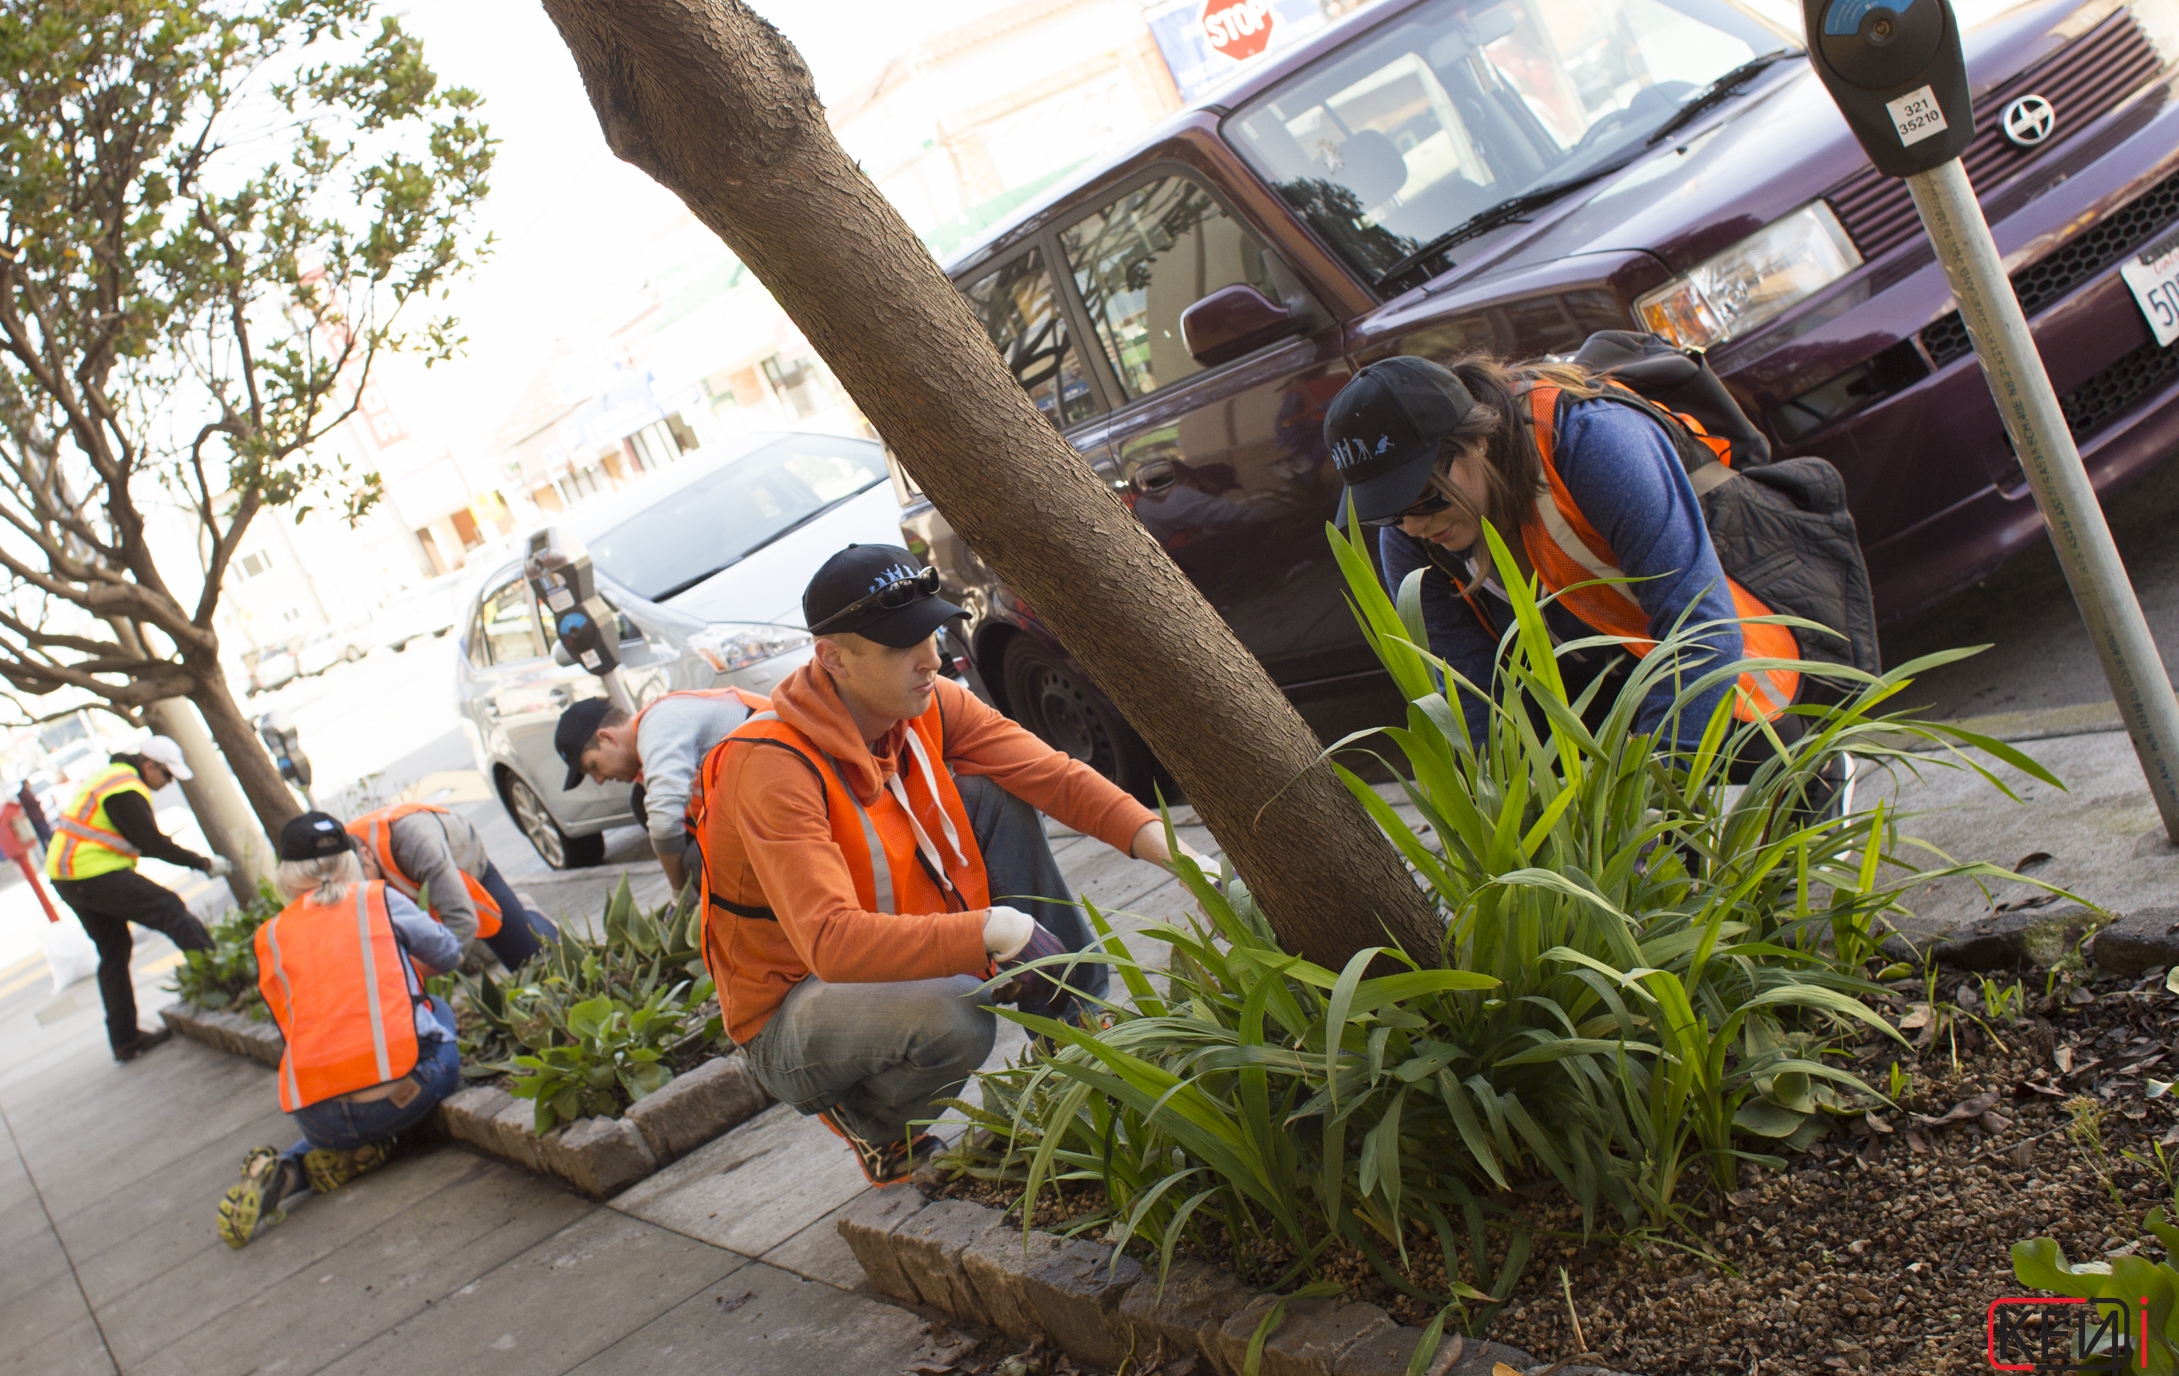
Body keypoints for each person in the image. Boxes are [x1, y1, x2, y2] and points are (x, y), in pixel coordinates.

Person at [695, 543, 1207, 1185]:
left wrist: (1173, 850)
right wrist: (995, 930)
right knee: (957, 1015)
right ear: (835, 660)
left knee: (997, 792)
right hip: (796, 1010)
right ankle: (881, 1125)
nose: (932, 659)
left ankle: (1077, 1028)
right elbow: (829, 942)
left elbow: (1053, 776)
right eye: (901, 647)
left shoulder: (924, 703)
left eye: (932, 634)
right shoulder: (770, 765)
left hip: (894, 949)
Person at [1326, 353, 1811, 761]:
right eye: (1388, 513)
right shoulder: (1410, 534)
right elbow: (1472, 698)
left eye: (1427, 497)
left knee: (1747, 723)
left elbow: (1704, 631)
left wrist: (1649, 799)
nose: (1414, 527)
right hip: (1585, 668)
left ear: (1477, 440)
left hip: (1723, 634)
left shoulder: (1594, 443)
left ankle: (1815, 773)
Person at [216, 812, 463, 1249]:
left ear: (288, 877)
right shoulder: (377, 899)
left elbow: (289, 1027)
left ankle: (291, 1170)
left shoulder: (270, 936)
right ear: (352, 861)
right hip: (401, 1094)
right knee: (437, 1012)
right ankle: (379, 1135)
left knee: (343, 1103)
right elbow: (448, 952)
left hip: (319, 1119)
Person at [46, 736, 233, 1061]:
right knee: (169, 908)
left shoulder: (113, 777)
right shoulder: (124, 786)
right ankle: (225, 984)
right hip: (88, 872)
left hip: (70, 875)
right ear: (149, 765)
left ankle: (125, 1039)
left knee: (114, 951)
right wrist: (202, 863)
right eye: (168, 775)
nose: (168, 782)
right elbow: (151, 844)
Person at [554, 685, 769, 900]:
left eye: (593, 767)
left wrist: (680, 894)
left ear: (607, 738)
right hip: (758, 795)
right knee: (641, 800)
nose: (599, 780)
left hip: (784, 783)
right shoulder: (655, 728)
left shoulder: (660, 723)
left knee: (698, 862)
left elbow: (664, 824)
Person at [345, 803, 560, 968]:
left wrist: (428, 971)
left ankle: (527, 914)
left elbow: (462, 920)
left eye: (364, 884)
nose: (365, 894)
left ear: (366, 855)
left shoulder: (413, 843)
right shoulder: (339, 869)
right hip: (417, 888)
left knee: (531, 960)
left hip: (463, 862)